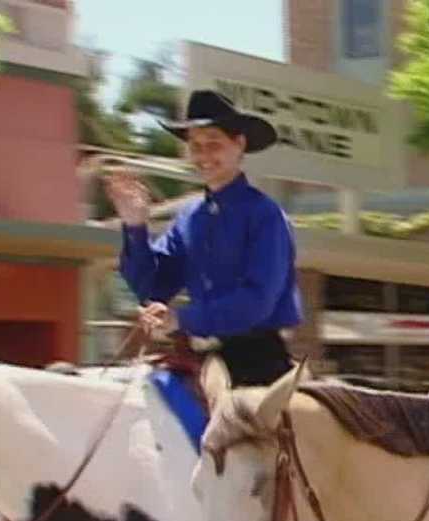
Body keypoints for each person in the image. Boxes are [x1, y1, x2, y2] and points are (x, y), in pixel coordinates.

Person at [105, 90, 302, 386]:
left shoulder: (265, 215)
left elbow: (256, 300)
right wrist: (135, 225)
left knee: (236, 430)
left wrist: (181, 319)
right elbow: (152, 287)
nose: (203, 156)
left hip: (258, 363)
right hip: (199, 360)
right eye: (195, 146)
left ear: (239, 145)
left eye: (214, 144)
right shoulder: (188, 217)